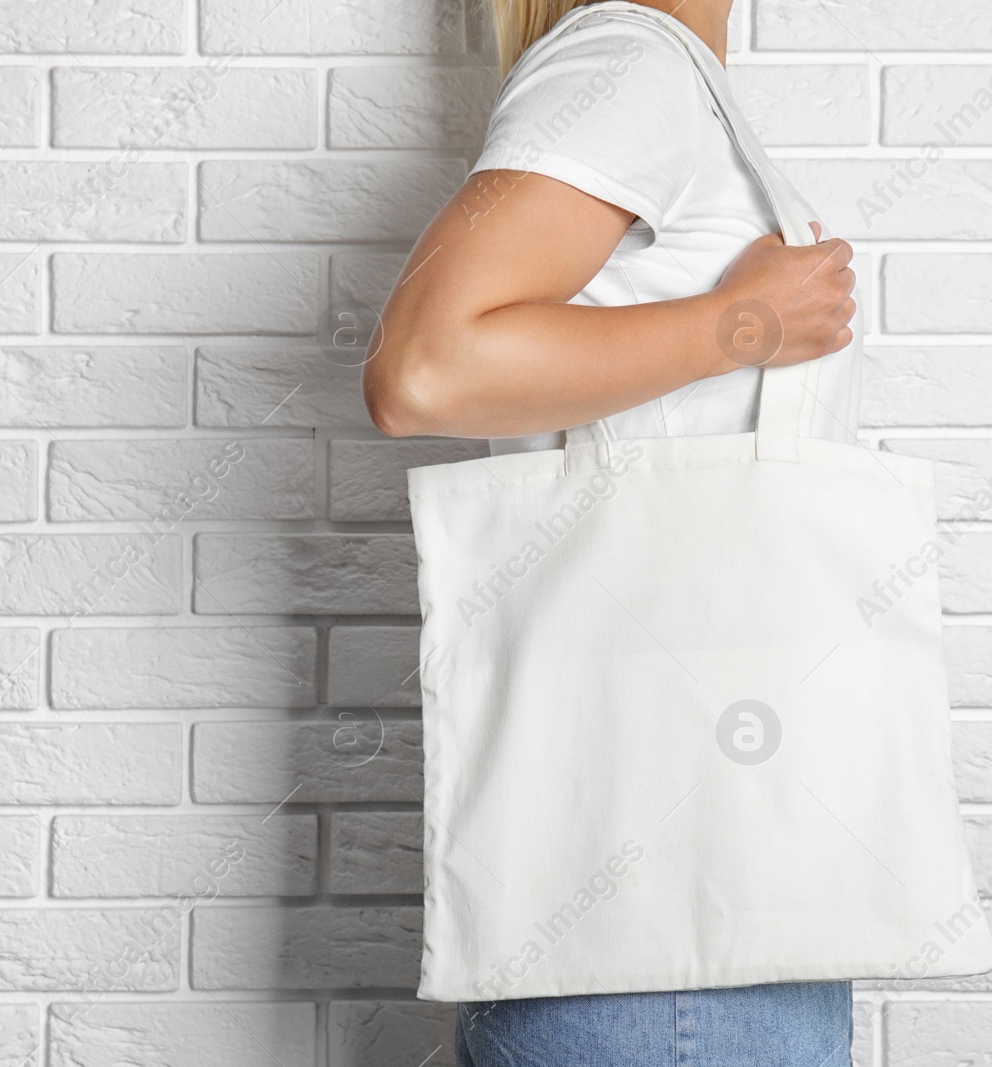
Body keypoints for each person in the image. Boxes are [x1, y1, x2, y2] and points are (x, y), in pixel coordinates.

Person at [365, 1, 858, 1063]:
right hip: (670, 910)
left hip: (702, 879)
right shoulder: (629, 63)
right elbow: (425, 367)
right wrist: (741, 326)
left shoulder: (666, 81)